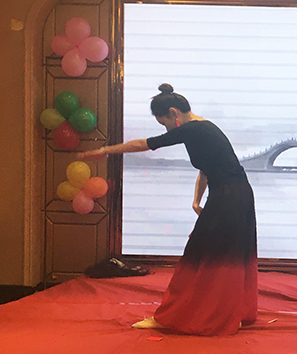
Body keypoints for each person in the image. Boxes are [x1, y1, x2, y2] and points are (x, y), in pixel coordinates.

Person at [78, 83, 257, 335]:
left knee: (204, 255)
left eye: (164, 123)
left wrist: (106, 151)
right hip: (235, 195)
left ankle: (178, 316)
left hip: (229, 197)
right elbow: (206, 169)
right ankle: (228, 313)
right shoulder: (202, 129)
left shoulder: (194, 129)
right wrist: (196, 200)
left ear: (174, 113)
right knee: (223, 253)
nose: (166, 129)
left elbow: (144, 144)